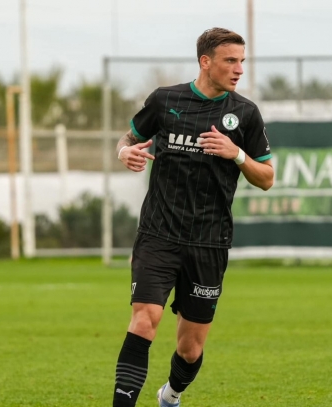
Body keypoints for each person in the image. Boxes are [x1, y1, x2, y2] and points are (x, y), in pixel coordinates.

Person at [112, 27, 274, 407]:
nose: (239, 70)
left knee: (190, 348)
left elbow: (267, 178)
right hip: (158, 234)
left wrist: (236, 154)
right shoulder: (165, 100)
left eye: (242, 61)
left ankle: (171, 395)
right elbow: (128, 139)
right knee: (144, 321)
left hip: (209, 242)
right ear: (205, 61)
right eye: (230, 61)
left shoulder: (245, 113)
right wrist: (124, 153)